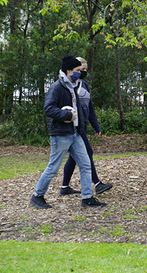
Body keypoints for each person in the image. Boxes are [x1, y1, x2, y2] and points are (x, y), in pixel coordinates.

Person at [30, 55, 106, 209]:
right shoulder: (57, 87)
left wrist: (82, 128)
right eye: (77, 70)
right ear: (69, 70)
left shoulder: (72, 86)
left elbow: (81, 109)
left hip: (75, 133)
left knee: (85, 165)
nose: (80, 73)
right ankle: (37, 196)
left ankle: (87, 198)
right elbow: (48, 108)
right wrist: (67, 115)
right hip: (60, 135)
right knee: (53, 168)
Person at [59, 57, 113, 196]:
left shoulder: (85, 85)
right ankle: (97, 183)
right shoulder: (69, 85)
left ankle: (64, 187)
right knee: (87, 152)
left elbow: (90, 106)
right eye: (81, 69)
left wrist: (96, 126)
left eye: (85, 70)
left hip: (83, 125)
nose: (83, 72)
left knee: (74, 157)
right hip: (73, 126)